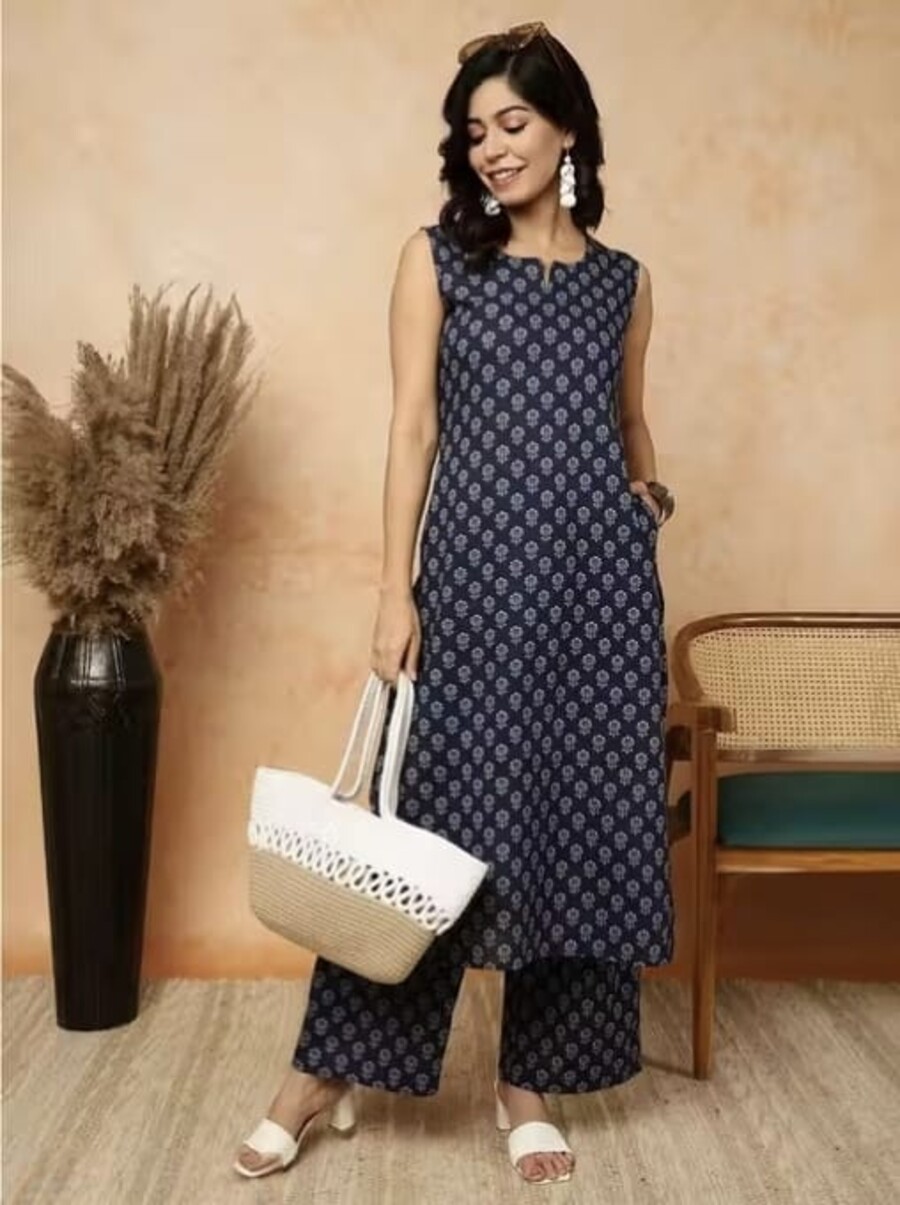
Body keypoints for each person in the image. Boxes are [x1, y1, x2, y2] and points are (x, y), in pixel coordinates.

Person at [234, 20, 676, 1186]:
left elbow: (631, 422)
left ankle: (528, 1083)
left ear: (568, 129)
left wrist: (646, 496)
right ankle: (323, 1071)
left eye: (513, 122)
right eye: (475, 131)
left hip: (600, 601)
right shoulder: (434, 260)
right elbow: (414, 428)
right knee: (428, 831)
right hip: (473, 587)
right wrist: (396, 589)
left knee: (576, 824)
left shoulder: (625, 285)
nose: (492, 147)